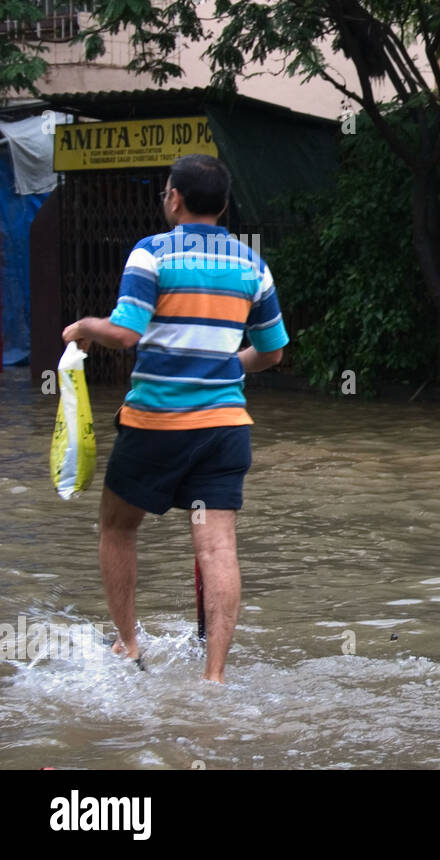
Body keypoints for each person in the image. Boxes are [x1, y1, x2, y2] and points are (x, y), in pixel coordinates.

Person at [61, 154, 288, 683]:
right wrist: (227, 367)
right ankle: (214, 678)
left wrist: (82, 327)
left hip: (156, 424)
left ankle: (129, 643)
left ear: (173, 198)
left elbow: (125, 333)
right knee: (217, 547)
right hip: (227, 429)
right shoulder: (251, 265)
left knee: (116, 527)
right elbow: (273, 352)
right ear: (225, 205)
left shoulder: (152, 253)